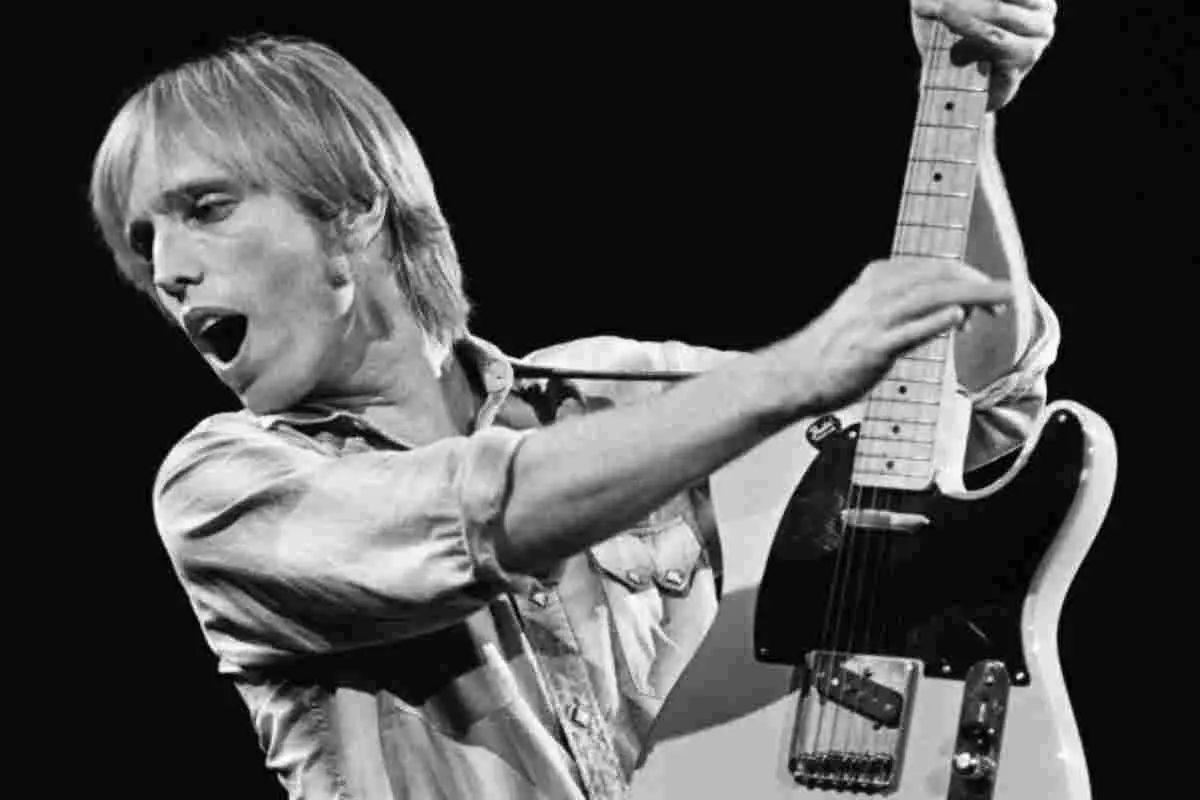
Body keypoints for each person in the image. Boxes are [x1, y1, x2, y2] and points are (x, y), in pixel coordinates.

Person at [89, 2, 1060, 797]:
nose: (167, 270)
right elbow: (484, 511)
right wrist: (793, 372)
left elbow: (972, 419)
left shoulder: (620, 389)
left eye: (207, 209)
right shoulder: (223, 487)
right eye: (144, 242)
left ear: (353, 207)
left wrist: (965, 113)